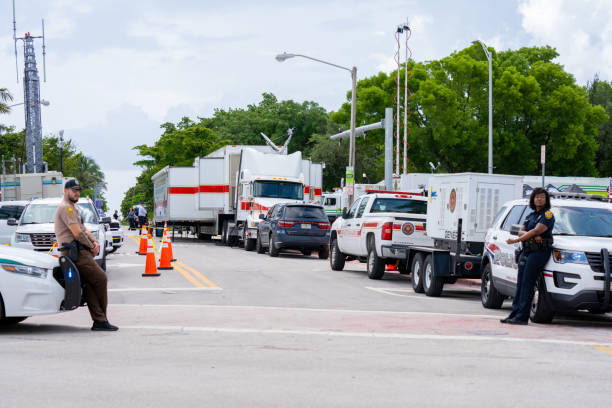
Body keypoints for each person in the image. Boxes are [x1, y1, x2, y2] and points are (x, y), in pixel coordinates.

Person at [54, 179, 118, 331]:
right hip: (75, 251)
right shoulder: (66, 208)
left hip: (81, 250)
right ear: (65, 190)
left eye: (79, 190)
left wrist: (94, 242)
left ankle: (100, 320)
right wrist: (91, 246)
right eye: (74, 190)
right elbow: (77, 233)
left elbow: (83, 229)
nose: (77, 193)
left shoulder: (73, 208)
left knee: (90, 284)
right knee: (101, 278)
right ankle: (101, 319)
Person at [501, 187, 555, 325]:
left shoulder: (547, 215)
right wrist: (532, 234)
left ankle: (522, 317)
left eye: (542, 197)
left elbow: (537, 230)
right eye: (536, 197)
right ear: (532, 199)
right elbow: (522, 231)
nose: (539, 199)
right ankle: (514, 313)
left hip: (539, 252)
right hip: (527, 250)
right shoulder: (530, 215)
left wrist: (518, 239)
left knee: (527, 284)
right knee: (520, 284)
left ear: (546, 199)